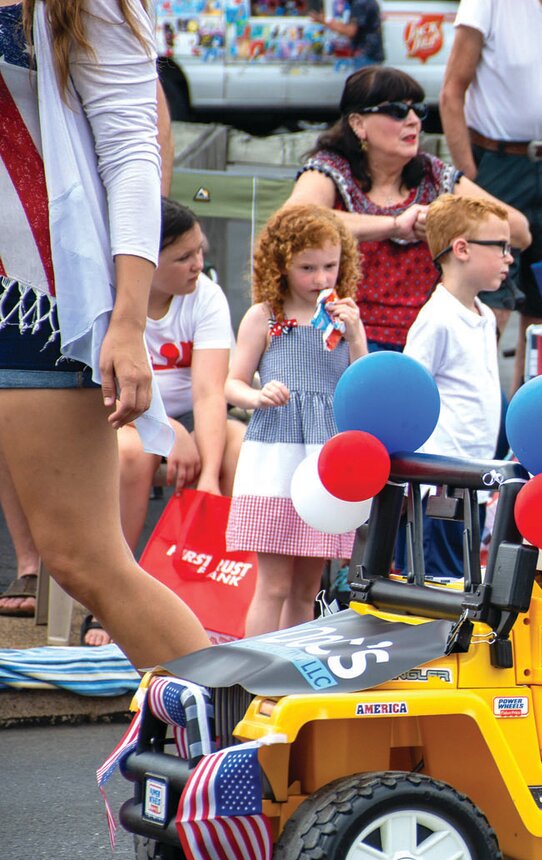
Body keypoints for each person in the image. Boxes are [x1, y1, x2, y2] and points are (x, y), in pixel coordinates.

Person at [0, 0, 208, 667]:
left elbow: (132, 154)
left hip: (33, 300)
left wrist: (126, 320)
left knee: (82, 557)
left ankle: (236, 754)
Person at [86, 199, 247, 646]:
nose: (199, 265)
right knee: (133, 456)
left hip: (193, 418)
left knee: (241, 447)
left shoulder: (206, 295)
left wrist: (210, 477)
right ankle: (111, 600)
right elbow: (102, 391)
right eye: (184, 257)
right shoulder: (108, 296)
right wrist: (164, 429)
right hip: (118, 417)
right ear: (147, 263)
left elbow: (211, 392)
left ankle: (211, 600)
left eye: (201, 252)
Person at [285, 66, 529, 352]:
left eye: (418, 111)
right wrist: (393, 226)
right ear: (358, 124)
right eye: (398, 111)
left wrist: (444, 224)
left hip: (430, 341)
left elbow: (520, 230)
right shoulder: (331, 169)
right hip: (347, 339)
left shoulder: (433, 174)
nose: (413, 120)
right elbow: (292, 220)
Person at [441, 0, 542, 388]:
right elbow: (451, 92)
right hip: (498, 162)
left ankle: (527, 431)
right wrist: (471, 176)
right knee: (486, 305)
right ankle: (468, 418)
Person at [225, 204, 367, 636]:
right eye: (308, 268)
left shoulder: (343, 318)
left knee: (307, 589)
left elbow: (363, 383)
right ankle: (257, 674)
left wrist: (358, 334)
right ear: (281, 266)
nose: (322, 279)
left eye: (330, 266)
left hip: (325, 457)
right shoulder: (265, 316)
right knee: (273, 585)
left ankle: (294, 675)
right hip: (276, 455)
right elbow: (230, 383)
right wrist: (257, 395)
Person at [402, 193, 512, 578]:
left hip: (473, 481)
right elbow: (409, 395)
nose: (508, 257)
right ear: (461, 248)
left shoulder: (482, 315)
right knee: (437, 586)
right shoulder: (436, 318)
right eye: (500, 246)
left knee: (464, 585)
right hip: (440, 488)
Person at [310, 0, 385, 67]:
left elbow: (350, 31)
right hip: (371, 53)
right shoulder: (363, 2)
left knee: (362, 81)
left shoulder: (360, 4)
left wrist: (327, 23)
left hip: (366, 54)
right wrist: (325, 21)